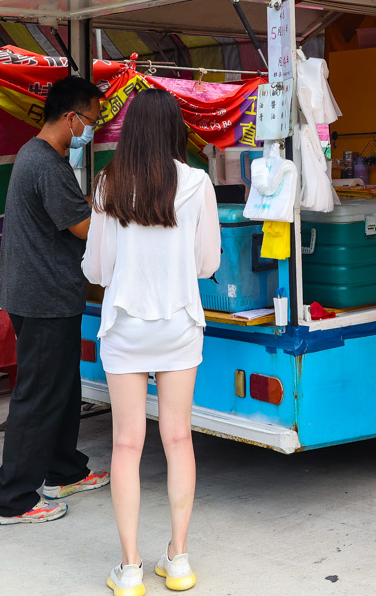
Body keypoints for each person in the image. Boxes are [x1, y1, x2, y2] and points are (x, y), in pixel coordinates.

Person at [81, 89, 220, 594]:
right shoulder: (198, 183)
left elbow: (97, 269)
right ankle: (178, 561)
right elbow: (208, 265)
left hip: (124, 328)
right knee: (179, 439)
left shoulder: (108, 184)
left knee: (125, 444)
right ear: (173, 130)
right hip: (180, 324)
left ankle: (131, 568)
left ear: (130, 130)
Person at [0, 75, 111, 526]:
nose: (91, 130)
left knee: (63, 388)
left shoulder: (39, 156)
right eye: (92, 120)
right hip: (42, 296)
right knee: (38, 396)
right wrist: (114, 206)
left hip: (42, 292)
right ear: (72, 117)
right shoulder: (45, 163)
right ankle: (11, 499)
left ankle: (63, 471)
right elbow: (82, 228)